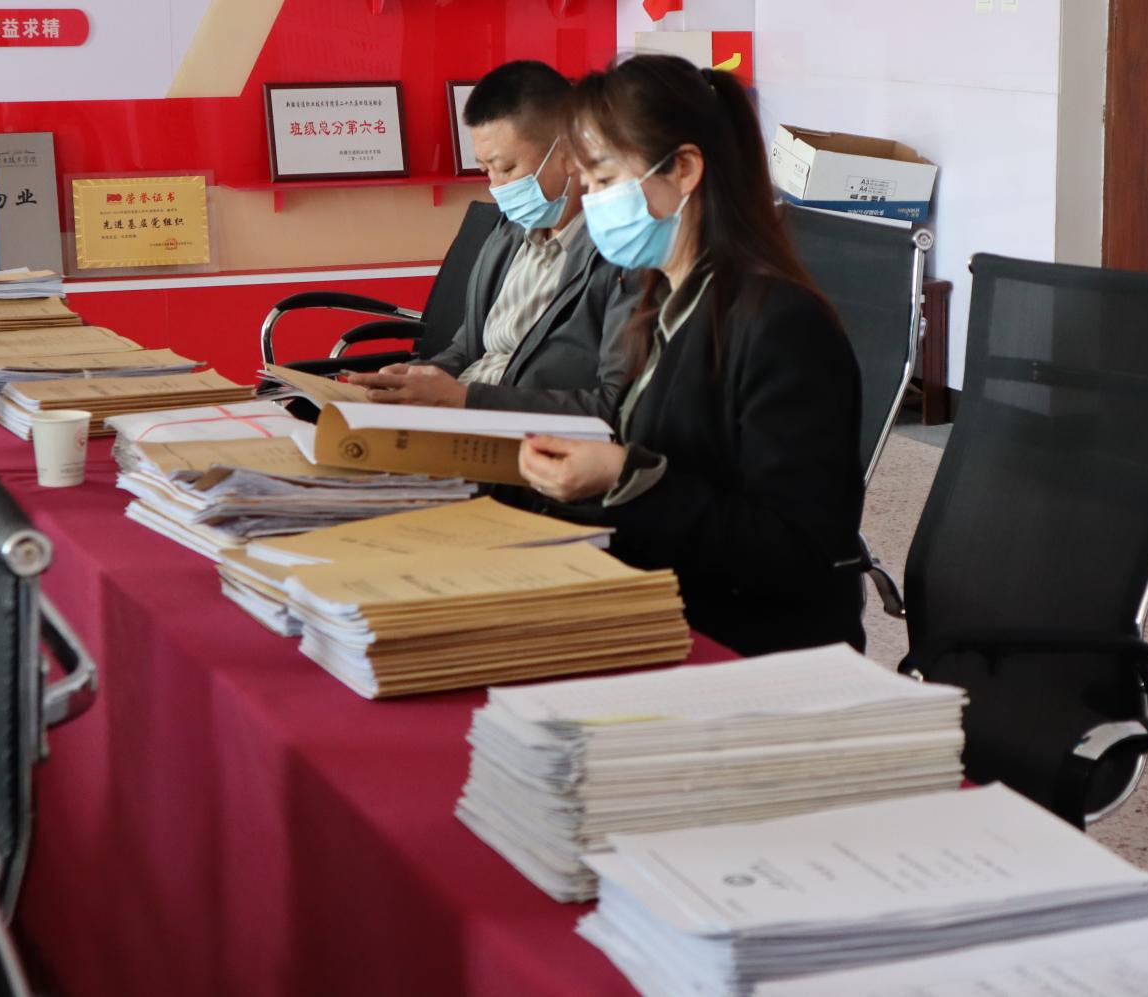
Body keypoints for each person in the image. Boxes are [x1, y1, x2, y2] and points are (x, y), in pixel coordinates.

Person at [518, 54, 867, 655]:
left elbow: (793, 548)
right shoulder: (660, 302)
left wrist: (625, 476)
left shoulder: (782, 325)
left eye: (604, 180)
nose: (591, 202)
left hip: (747, 645)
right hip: (664, 604)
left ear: (683, 168)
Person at [348, 60, 635, 421]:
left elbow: (614, 406)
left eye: (507, 168)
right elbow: (467, 349)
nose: (497, 188)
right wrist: (415, 380)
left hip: (521, 436)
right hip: (456, 419)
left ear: (568, 151)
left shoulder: (620, 256)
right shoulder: (506, 235)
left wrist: (465, 400)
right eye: (486, 170)